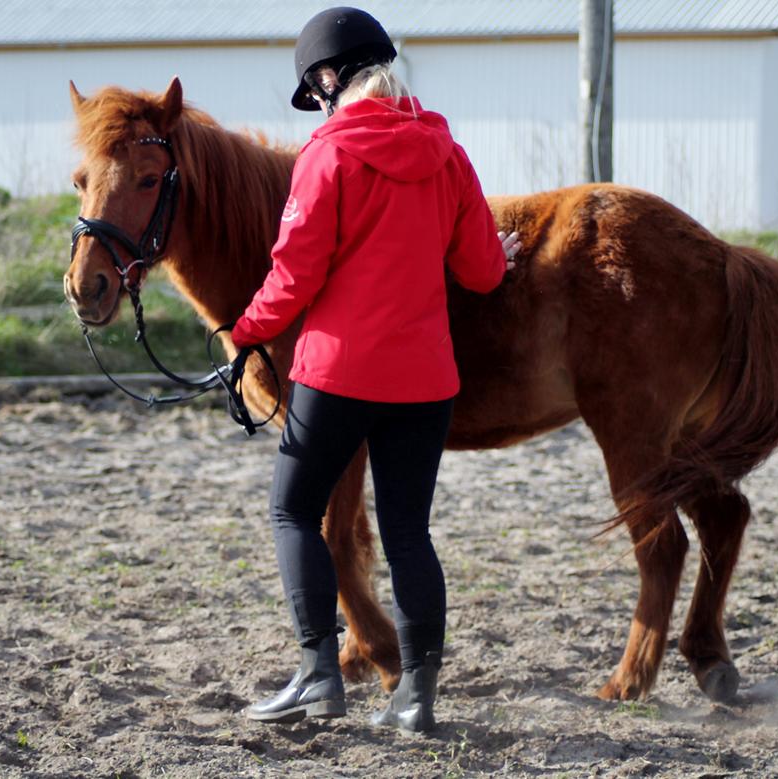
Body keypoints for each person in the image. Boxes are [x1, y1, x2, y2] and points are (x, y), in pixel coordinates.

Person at [232, 6, 520, 732]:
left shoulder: (325, 157)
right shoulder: (448, 155)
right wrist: (500, 253)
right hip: (425, 383)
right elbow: (484, 272)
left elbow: (292, 277)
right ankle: (416, 697)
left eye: (316, 88)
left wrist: (242, 331)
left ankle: (317, 672)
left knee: (293, 509)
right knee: (408, 532)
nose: (317, 104)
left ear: (331, 77)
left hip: (337, 376)